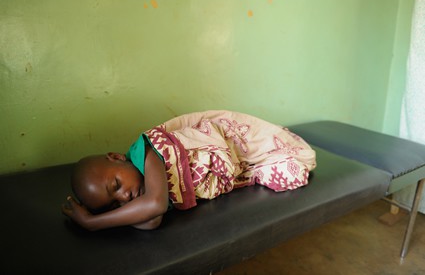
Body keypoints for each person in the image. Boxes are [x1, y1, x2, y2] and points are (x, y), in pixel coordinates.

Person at [62, 110, 316, 231]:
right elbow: (151, 219)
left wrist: (93, 223)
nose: (124, 197)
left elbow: (156, 205)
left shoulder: (148, 151)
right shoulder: (142, 194)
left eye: (116, 186)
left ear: (117, 157)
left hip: (236, 145)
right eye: (115, 204)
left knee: (289, 166)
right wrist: (128, 214)